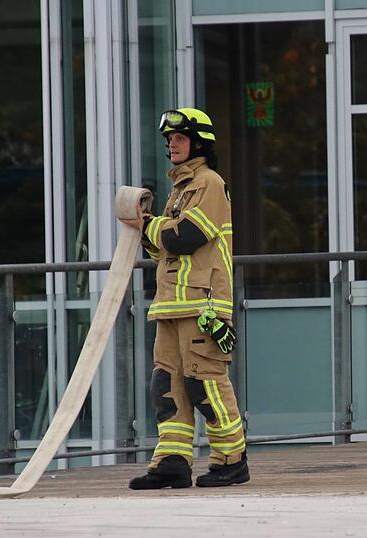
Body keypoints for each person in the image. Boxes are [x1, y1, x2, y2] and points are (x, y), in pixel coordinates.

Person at [125, 107, 249, 489]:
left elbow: (186, 236)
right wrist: (148, 228)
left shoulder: (210, 184)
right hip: (170, 306)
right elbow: (165, 248)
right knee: (168, 385)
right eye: (169, 140)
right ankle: (172, 462)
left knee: (205, 383)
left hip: (203, 304)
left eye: (178, 139)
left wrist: (146, 224)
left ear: (198, 142)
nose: (172, 146)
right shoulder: (179, 190)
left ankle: (231, 459)